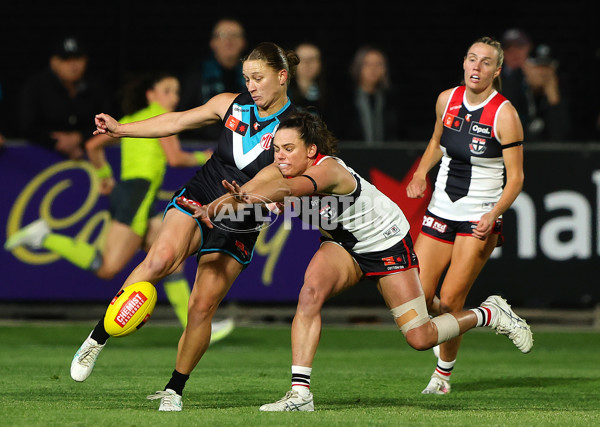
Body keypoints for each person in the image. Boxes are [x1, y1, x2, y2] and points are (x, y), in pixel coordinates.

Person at [191, 111, 533, 411]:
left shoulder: (329, 171)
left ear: (311, 151)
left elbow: (295, 190)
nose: (280, 156)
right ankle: (300, 394)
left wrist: (258, 198)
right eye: (276, 149)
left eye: (289, 149)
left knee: (421, 337)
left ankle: (489, 313)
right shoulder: (279, 171)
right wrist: (211, 209)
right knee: (310, 293)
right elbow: (244, 194)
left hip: (386, 243)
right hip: (342, 244)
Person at [65, 42, 299, 412]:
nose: (251, 86)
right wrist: (120, 129)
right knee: (160, 260)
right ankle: (99, 336)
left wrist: (243, 199)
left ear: (282, 77)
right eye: (247, 78)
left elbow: (280, 178)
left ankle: (174, 389)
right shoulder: (230, 104)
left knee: (202, 306)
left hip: (242, 213)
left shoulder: (295, 128)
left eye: (258, 78)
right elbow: (176, 121)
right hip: (202, 191)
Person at [4, 72, 225, 334]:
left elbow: (93, 146)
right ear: (151, 95)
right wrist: (205, 156)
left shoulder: (132, 120)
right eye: (167, 91)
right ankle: (44, 237)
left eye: (176, 92)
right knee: (109, 267)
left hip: (132, 194)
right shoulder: (160, 117)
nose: (174, 97)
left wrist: (104, 177)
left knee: (174, 260)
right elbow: (175, 158)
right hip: (138, 196)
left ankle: (195, 326)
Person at [405, 36, 526, 395]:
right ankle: (491, 313)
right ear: (463, 63)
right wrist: (419, 173)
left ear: (497, 70)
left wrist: (495, 214)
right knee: (417, 298)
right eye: (472, 59)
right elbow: (438, 143)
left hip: (478, 217)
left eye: (486, 62)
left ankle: (442, 377)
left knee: (452, 300)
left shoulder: (505, 114)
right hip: (441, 209)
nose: (477, 67)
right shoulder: (447, 99)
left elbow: (516, 178)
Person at [18, 36, 113, 159]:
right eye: (66, 59)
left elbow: (110, 123)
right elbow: (26, 127)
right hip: (37, 160)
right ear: (53, 62)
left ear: (86, 60)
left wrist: (79, 138)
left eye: (78, 58)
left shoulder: (96, 87)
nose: (73, 65)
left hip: (89, 155)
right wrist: (57, 142)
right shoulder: (36, 87)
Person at [178, 17, 247, 141]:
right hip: (204, 146)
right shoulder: (197, 74)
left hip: (246, 142)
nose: (229, 40)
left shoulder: (254, 76)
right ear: (213, 42)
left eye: (235, 35)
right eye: (223, 35)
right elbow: (184, 115)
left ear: (243, 42)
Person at [500, 28, 570, 141]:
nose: (514, 52)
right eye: (508, 47)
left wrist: (550, 88)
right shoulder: (493, 79)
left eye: (519, 46)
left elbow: (561, 133)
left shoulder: (539, 74)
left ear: (529, 47)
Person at [337, 45, 400, 144]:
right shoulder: (345, 100)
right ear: (358, 67)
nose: (373, 69)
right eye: (367, 64)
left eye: (378, 64)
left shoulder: (391, 100)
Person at [288, 42, 330, 120]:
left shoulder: (331, 96)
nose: (307, 64)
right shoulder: (283, 94)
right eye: (301, 59)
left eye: (312, 59)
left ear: (320, 63)